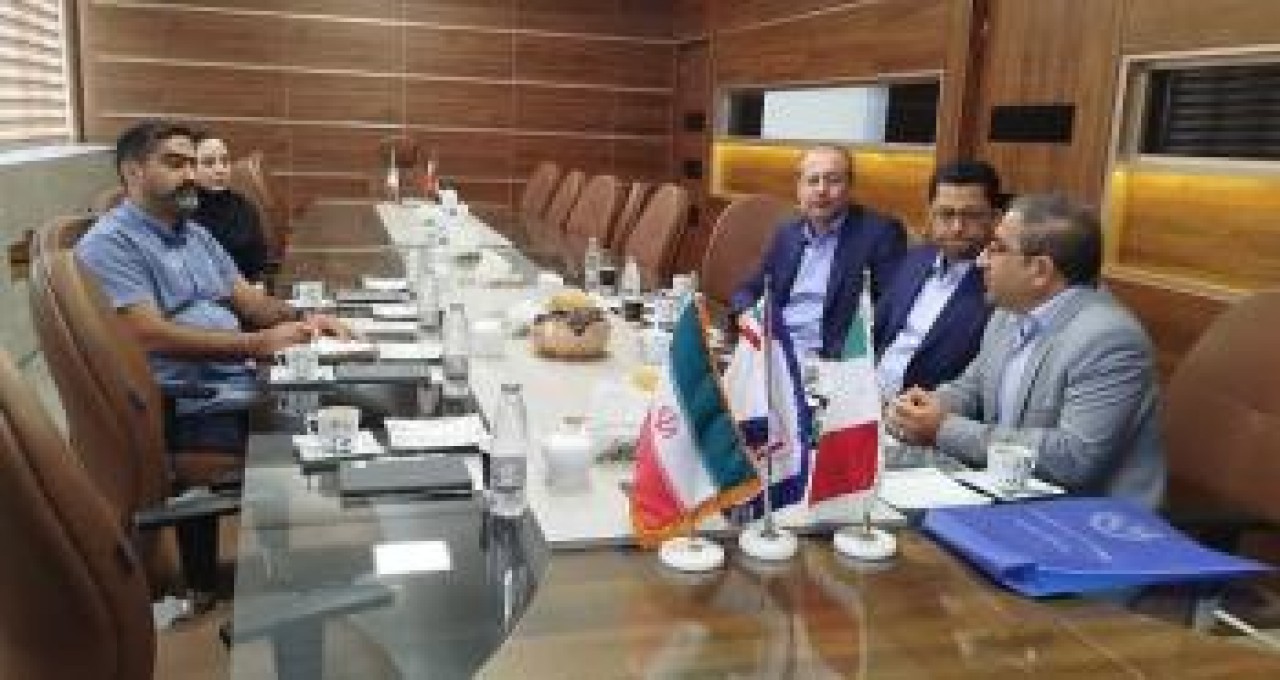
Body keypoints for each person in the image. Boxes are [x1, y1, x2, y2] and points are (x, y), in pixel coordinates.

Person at [76, 120, 351, 452]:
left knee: (364, 402)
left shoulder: (196, 235)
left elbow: (251, 304)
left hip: (240, 381)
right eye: (175, 164)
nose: (191, 176)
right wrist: (256, 344)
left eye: (192, 164)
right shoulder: (110, 243)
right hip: (193, 408)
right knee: (348, 440)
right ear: (133, 172)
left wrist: (307, 319)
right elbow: (146, 335)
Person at [888, 193, 1164, 505]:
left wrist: (943, 428)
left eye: (996, 248)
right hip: (1006, 492)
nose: (981, 260)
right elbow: (972, 388)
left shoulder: (1108, 339)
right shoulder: (1009, 312)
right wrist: (921, 409)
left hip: (1083, 515)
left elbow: (1074, 458)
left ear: (1040, 270)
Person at [730, 145, 907, 358]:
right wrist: (747, 314)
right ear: (799, 188)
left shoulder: (879, 234)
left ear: (850, 186)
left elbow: (893, 310)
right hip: (773, 350)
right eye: (813, 181)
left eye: (833, 180)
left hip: (828, 360)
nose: (822, 190)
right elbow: (748, 290)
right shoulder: (788, 233)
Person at [874, 160, 1001, 395]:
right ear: (931, 214)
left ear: (995, 218)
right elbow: (877, 330)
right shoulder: (915, 260)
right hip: (869, 396)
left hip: (929, 409)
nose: (957, 227)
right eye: (946, 214)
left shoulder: (1002, 282)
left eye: (971, 215)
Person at [191, 132, 270, 283]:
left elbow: (260, 264)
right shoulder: (179, 210)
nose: (220, 169)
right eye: (209, 163)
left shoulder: (245, 207)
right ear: (191, 168)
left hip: (246, 290)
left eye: (225, 161)